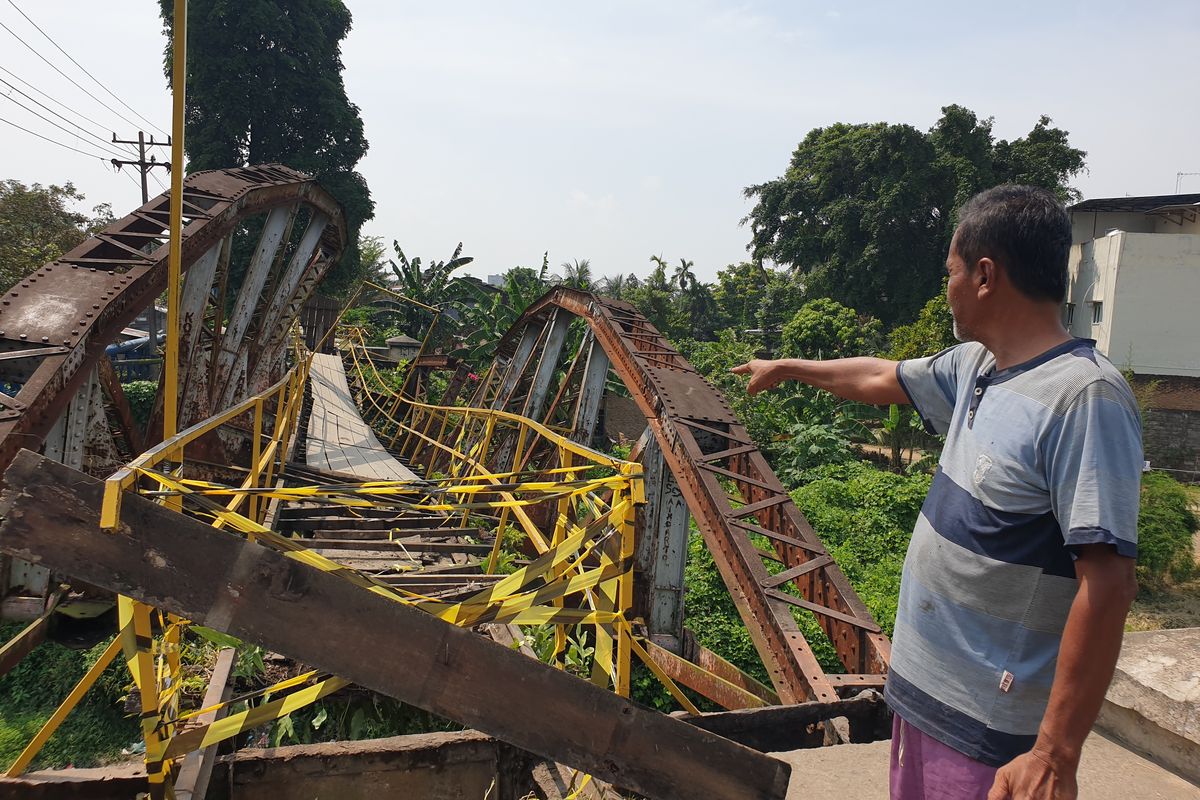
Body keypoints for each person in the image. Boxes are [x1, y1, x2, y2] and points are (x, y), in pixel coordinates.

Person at [732, 185, 1142, 800]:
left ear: (983, 275)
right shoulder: (980, 365)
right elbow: (879, 375)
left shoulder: (1084, 399)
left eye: (949, 271)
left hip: (989, 733)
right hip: (924, 700)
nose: (944, 286)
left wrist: (1054, 754)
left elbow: (1108, 583)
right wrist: (789, 368)